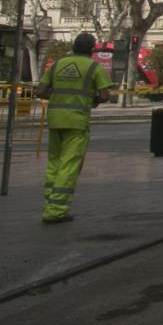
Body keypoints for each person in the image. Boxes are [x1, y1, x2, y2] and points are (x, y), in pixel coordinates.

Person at [34, 32, 113, 224]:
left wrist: (59, 96)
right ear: (92, 49)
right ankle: (56, 210)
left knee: (54, 162)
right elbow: (104, 95)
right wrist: (90, 100)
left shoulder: (58, 65)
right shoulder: (94, 67)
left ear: (73, 47)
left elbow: (41, 91)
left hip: (55, 119)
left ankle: (49, 203)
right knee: (69, 165)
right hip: (76, 121)